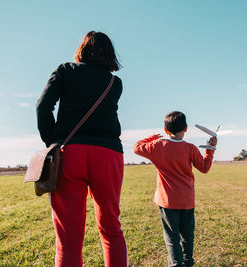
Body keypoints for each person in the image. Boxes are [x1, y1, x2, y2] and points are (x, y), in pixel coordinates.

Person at [36, 31, 127, 267]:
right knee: (111, 228)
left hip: (70, 153)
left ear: (83, 49)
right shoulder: (114, 83)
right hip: (108, 154)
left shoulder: (66, 70)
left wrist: (52, 142)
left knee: (68, 237)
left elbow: (43, 106)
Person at [133, 111, 217, 267]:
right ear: (185, 128)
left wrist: (151, 138)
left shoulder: (157, 146)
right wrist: (210, 149)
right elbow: (204, 168)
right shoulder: (190, 148)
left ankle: (176, 264)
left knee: (172, 237)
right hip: (187, 201)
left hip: (167, 201)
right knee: (187, 235)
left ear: (166, 130)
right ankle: (188, 262)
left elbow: (137, 148)